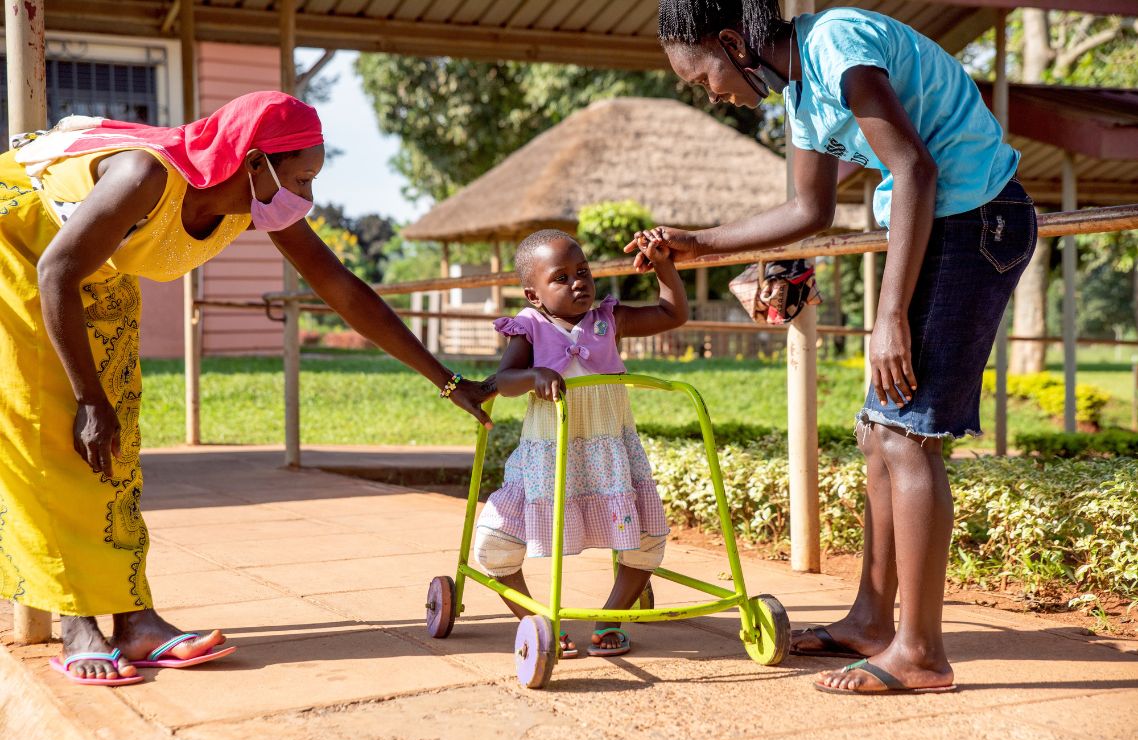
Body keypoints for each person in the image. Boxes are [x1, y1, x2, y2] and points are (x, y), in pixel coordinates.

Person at [0, 91, 493, 686]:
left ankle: (134, 619)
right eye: (303, 177)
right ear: (255, 162)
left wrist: (447, 380)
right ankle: (79, 623)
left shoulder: (251, 202)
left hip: (87, 263)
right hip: (23, 252)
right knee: (55, 433)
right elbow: (56, 270)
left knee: (115, 443)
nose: (307, 197)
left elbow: (341, 288)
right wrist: (87, 398)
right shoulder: (143, 177)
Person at [630, 1, 1037, 694]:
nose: (713, 93)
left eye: (704, 78)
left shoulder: (837, 44)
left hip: (977, 225)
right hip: (946, 230)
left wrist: (889, 319)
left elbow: (913, 171)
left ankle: (922, 653)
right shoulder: (800, 94)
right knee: (877, 434)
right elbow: (806, 210)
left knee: (908, 438)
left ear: (732, 41)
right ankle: (874, 622)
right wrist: (697, 243)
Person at [473, 229, 687, 657]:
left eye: (584, 271)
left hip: (610, 455)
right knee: (495, 543)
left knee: (646, 540)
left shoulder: (610, 319)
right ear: (533, 295)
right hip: (548, 457)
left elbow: (671, 314)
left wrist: (664, 267)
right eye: (562, 277)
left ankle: (611, 617)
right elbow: (503, 380)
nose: (578, 282)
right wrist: (533, 376)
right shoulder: (529, 327)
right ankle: (537, 620)